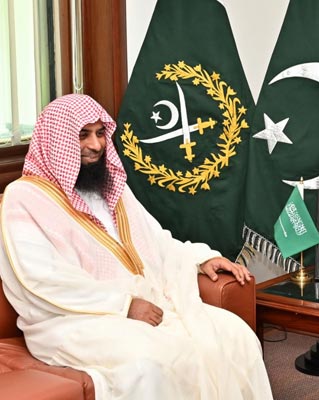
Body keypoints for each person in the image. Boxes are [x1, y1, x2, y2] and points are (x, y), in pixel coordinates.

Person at [0, 94, 273, 400]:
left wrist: (201, 258)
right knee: (155, 360)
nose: (96, 146)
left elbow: (156, 240)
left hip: (147, 304)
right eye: (83, 135)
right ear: (57, 141)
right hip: (71, 321)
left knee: (235, 336)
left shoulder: (111, 186)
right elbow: (41, 280)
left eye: (101, 134)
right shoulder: (24, 199)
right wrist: (124, 305)